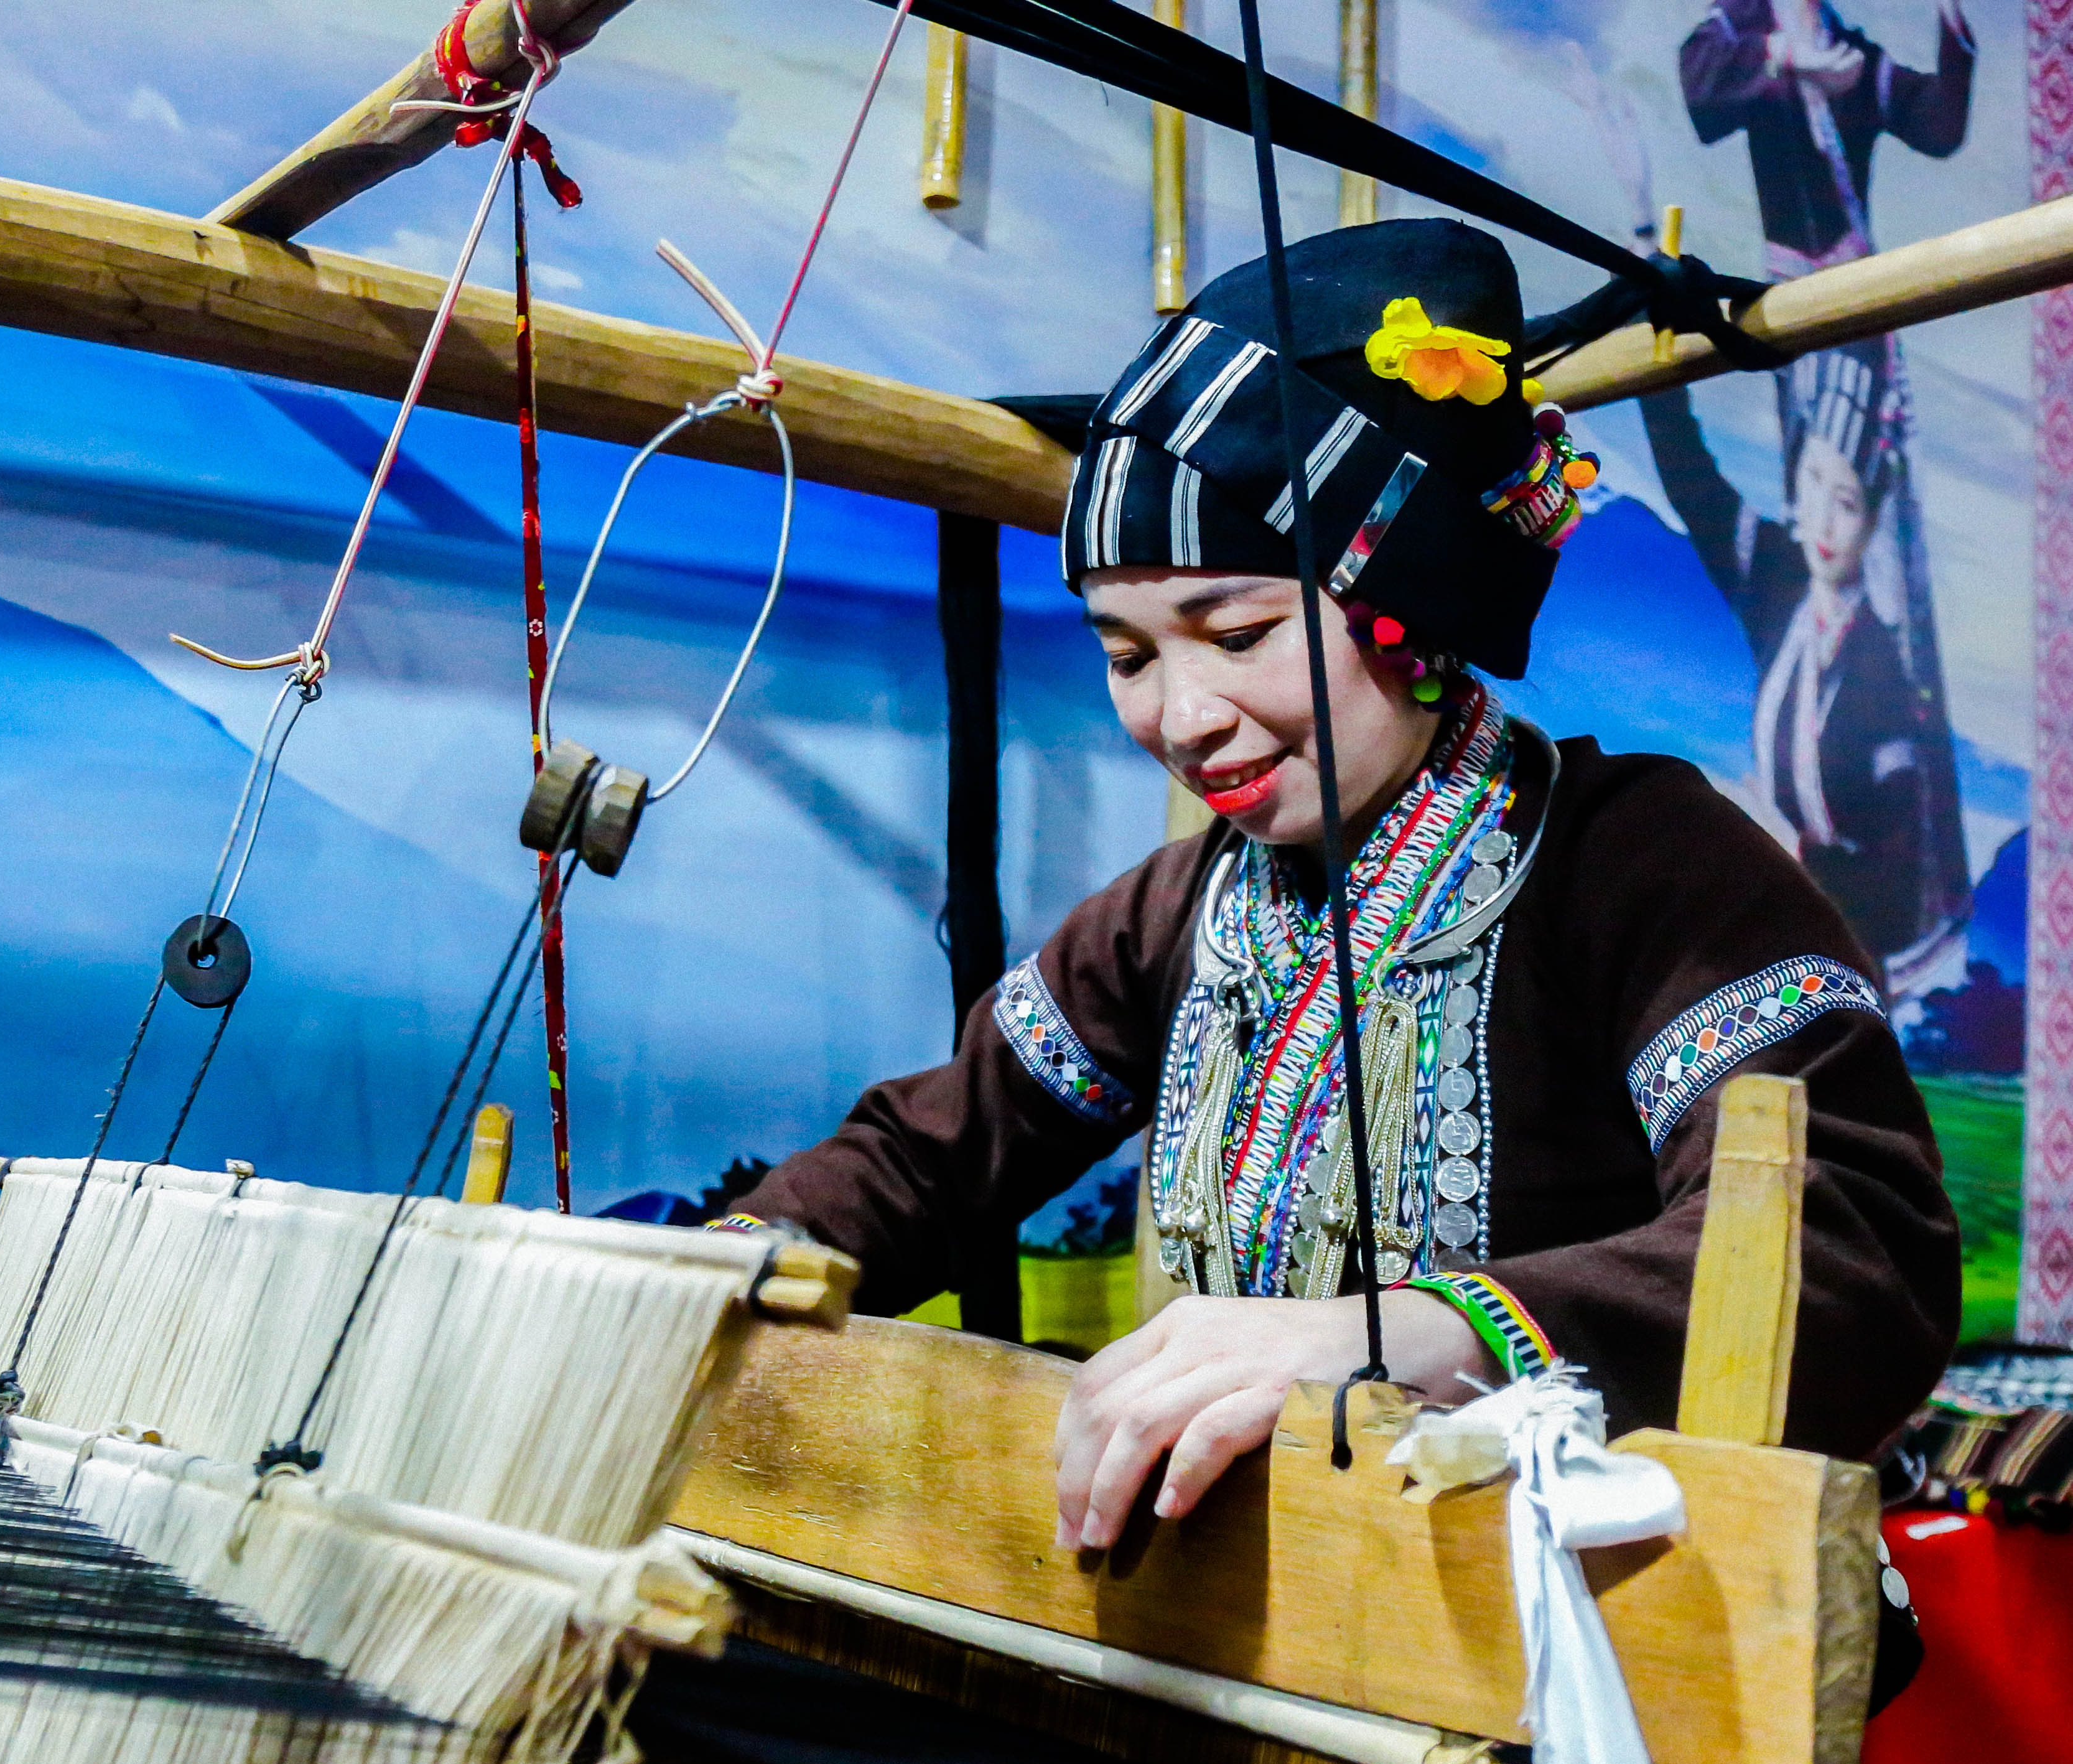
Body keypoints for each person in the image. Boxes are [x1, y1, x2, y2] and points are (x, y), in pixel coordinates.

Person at [722, 218, 1959, 1566]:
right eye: (1126, 654)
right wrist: (717, 1271)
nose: (1181, 716)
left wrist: (1403, 1335)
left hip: (1596, 1648)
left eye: (1237, 634)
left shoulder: (1641, 861)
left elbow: (1851, 1256)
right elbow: (929, 1157)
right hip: (1284, 1634)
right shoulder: (1183, 911)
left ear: (1406, 611)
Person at [1640, 348, 1969, 975]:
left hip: (1853, 960)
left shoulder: (1885, 672)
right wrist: (1662, 362)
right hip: (1775, 921)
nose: (1821, 520)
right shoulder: (1779, 576)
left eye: (1845, 502)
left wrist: (1784, 841)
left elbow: (1895, 898)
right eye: (1812, 481)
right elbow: (1694, 484)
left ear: (1873, 520)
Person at [1679, 0, 1972, 280]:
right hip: (1787, 289)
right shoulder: (1743, 19)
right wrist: (1787, 57)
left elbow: (1940, 129)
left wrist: (1950, 12)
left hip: (1856, 281)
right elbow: (1700, 89)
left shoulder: (1849, 53)